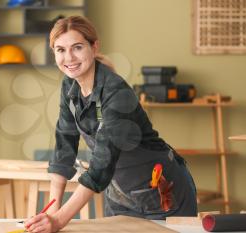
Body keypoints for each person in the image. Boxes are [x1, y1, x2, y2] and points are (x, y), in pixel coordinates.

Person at [25, 15, 197, 233]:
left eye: (77, 47)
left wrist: (59, 221)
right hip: (119, 195)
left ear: (94, 47)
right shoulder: (70, 85)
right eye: (60, 50)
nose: (68, 57)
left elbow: (101, 164)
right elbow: (64, 146)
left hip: (162, 194)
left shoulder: (118, 93)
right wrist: (51, 211)